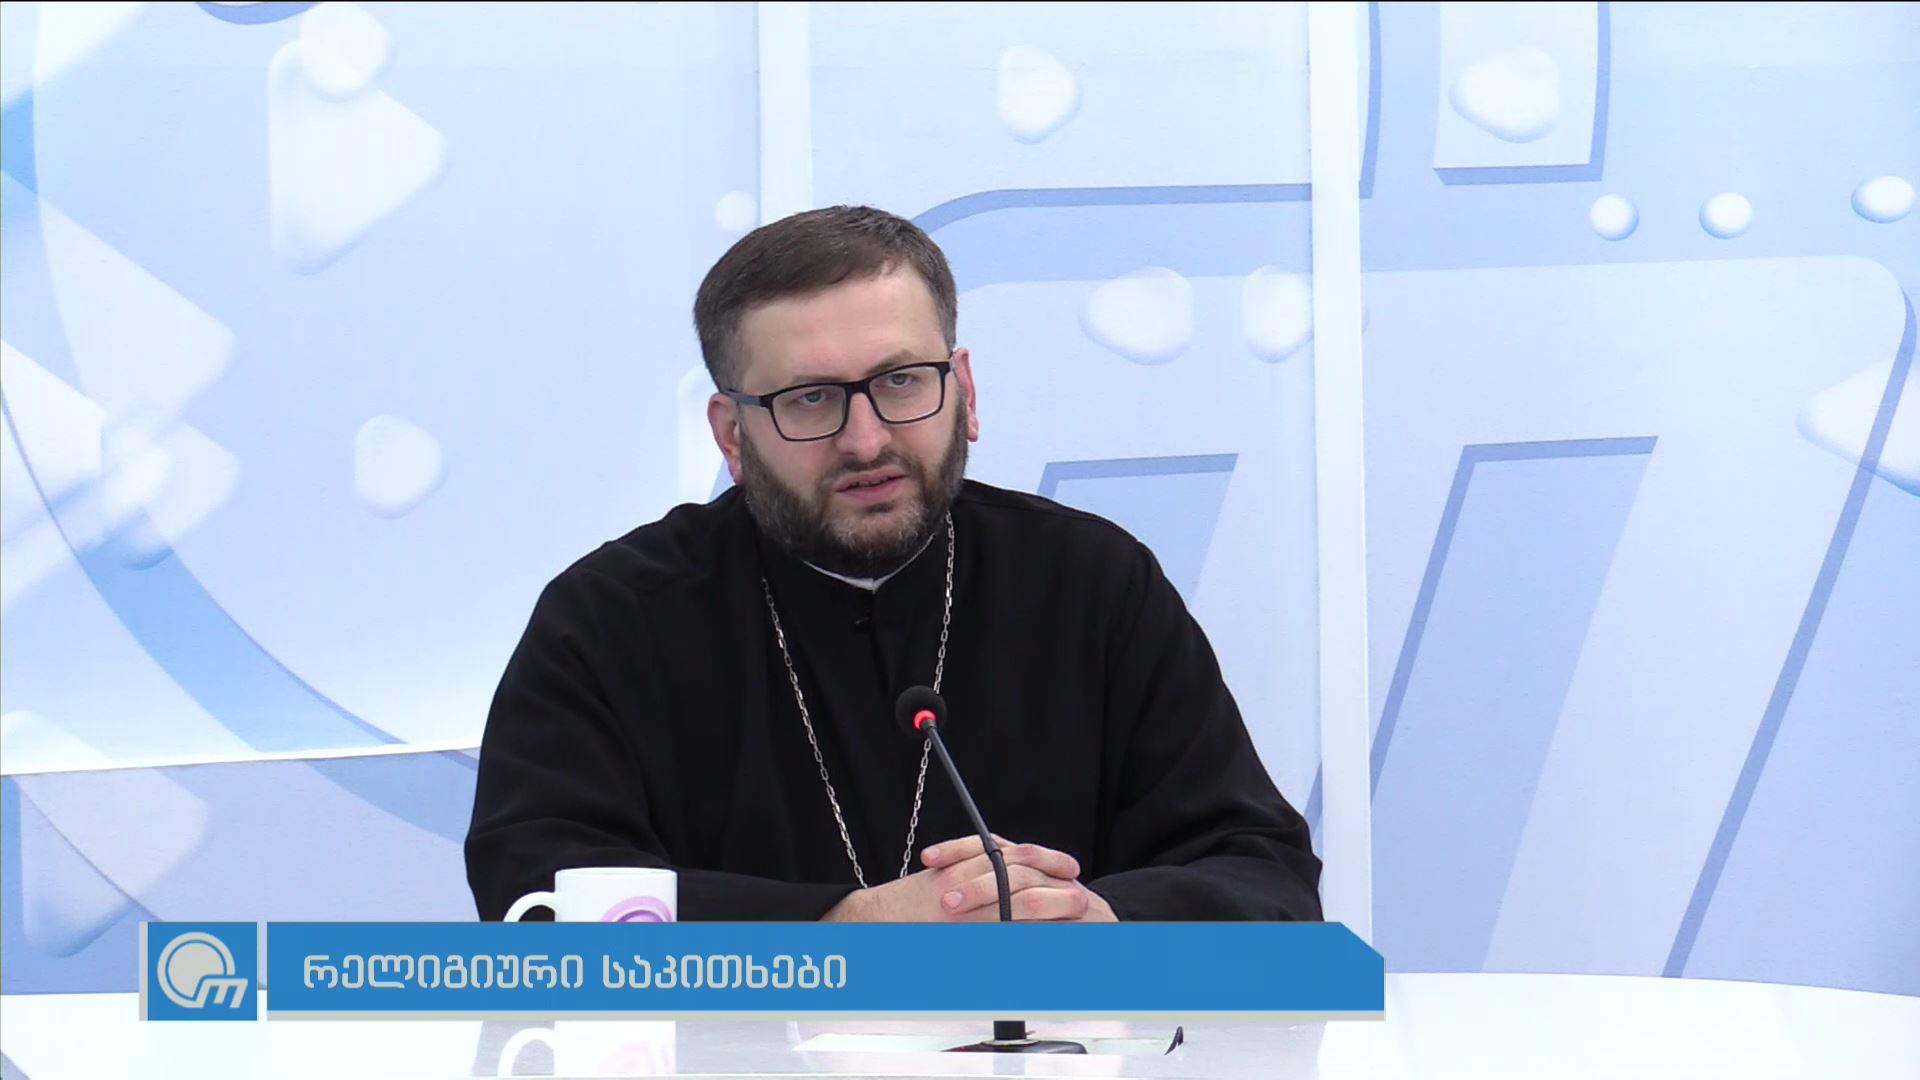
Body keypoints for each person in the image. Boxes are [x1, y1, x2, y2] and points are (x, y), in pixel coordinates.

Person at [465, 205, 1322, 923]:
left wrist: (1100, 922)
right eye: (810, 400)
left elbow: (1265, 877)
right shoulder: (612, 620)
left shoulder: (1092, 584)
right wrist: (843, 929)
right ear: (731, 435)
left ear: (964, 392)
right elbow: (536, 896)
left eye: (902, 381)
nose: (866, 439)